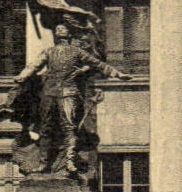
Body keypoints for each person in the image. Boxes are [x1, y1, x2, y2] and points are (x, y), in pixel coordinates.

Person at [12, 22, 127, 175]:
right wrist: (21, 76)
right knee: (45, 127)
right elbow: (34, 66)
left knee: (69, 127)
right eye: (57, 28)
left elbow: (98, 64)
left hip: (68, 92)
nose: (59, 29)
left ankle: (70, 161)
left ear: (69, 34)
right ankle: (43, 163)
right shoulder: (49, 52)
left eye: (63, 28)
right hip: (49, 93)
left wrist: (118, 74)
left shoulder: (77, 52)